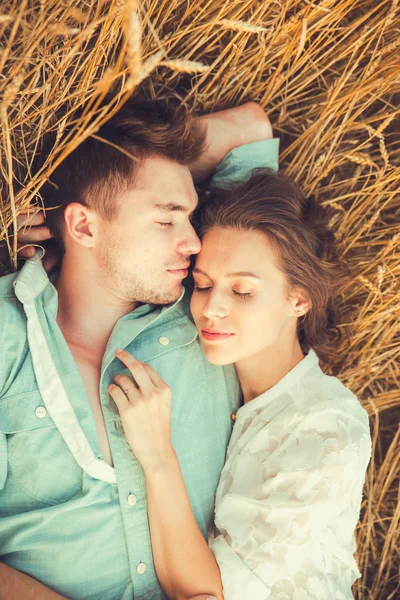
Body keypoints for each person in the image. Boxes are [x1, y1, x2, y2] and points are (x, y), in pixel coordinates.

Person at [0, 99, 277, 600]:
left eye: (189, 217)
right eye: (165, 220)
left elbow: (249, 130)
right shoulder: (7, 336)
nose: (194, 243)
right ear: (84, 226)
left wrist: (108, 170)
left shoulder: (206, 314)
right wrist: (87, 179)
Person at [108, 170, 372, 599]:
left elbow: (211, 595)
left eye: (242, 291)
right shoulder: (217, 369)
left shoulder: (326, 425)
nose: (211, 308)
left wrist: (158, 457)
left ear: (299, 299)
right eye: (203, 284)